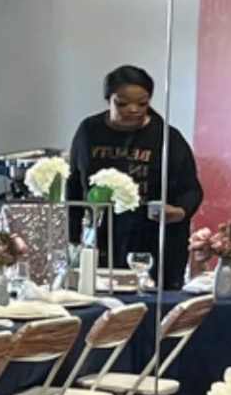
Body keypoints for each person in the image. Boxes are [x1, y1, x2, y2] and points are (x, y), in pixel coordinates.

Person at [68, 64, 201, 289]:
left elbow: (191, 189)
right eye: (122, 103)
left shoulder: (166, 137)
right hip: (102, 235)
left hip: (151, 237)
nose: (133, 110)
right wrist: (72, 236)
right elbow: (74, 184)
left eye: (142, 103)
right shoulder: (89, 131)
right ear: (108, 99)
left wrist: (179, 211)